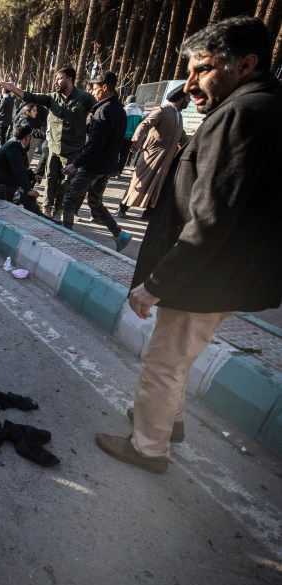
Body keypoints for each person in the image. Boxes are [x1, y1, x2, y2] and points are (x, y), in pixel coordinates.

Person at [95, 16, 282, 473]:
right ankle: (167, 422)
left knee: (163, 361)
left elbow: (211, 218)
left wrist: (157, 283)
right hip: (224, 272)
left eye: (202, 69)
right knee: (176, 358)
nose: (191, 81)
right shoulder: (264, 105)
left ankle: (148, 447)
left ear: (246, 64)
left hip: (205, 275)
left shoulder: (242, 114)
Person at [0, 68, 95, 220]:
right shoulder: (52, 98)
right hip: (53, 148)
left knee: (66, 183)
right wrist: (13, 89)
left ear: (70, 79)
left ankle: (58, 211)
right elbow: (31, 97)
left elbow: (98, 115)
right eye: (55, 78)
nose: (55, 81)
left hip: (73, 151)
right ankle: (47, 209)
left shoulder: (84, 98)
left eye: (59, 78)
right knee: (50, 179)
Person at [56, 71, 132, 252]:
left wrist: (76, 164)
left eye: (95, 88)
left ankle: (65, 239)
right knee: (95, 202)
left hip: (93, 165)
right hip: (106, 166)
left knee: (69, 199)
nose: (93, 92)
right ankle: (119, 234)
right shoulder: (120, 110)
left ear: (105, 87)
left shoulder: (102, 111)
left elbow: (94, 144)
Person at [116, 86, 189, 220]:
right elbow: (145, 124)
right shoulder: (162, 111)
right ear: (181, 99)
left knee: (158, 185)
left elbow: (181, 136)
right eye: (188, 98)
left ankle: (148, 213)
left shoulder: (179, 115)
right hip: (151, 155)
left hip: (167, 158)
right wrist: (136, 142)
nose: (189, 101)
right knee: (140, 182)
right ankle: (123, 207)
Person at [0, 124, 44, 216]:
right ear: (27, 137)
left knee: (27, 193)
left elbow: (22, 168)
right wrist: (28, 190)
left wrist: (33, 176)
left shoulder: (14, 145)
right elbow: (18, 171)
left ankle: (37, 215)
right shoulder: (14, 147)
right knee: (28, 198)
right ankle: (37, 218)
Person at [114, 95, 144, 176]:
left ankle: (114, 170)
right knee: (125, 155)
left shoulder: (125, 110)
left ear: (127, 101)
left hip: (122, 135)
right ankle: (119, 171)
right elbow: (141, 124)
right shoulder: (140, 111)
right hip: (132, 137)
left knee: (115, 152)